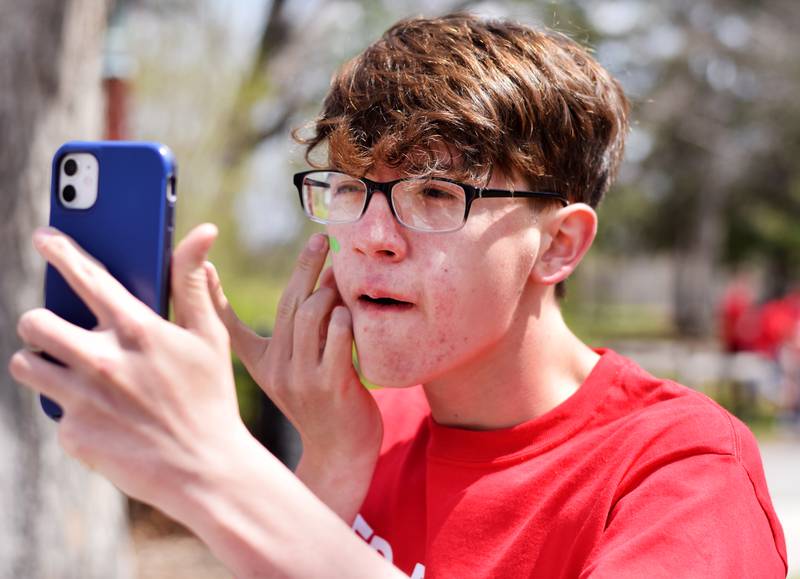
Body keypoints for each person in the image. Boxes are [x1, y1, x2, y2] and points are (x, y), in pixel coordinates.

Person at [10, 13, 787, 578]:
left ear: (559, 244)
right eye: (351, 188)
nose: (375, 235)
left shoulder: (680, 471)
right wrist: (332, 466)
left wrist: (215, 468)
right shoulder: (363, 428)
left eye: (436, 195)